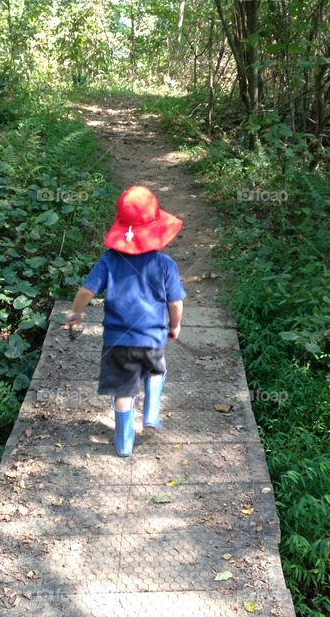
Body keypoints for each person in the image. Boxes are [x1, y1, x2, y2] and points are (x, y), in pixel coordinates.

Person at [66, 185, 186, 457]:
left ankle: (123, 444)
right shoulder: (165, 264)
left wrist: (76, 313)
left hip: (117, 341)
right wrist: (174, 325)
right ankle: (152, 415)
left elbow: (86, 291)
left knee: (123, 390)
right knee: (156, 372)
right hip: (152, 338)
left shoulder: (109, 260)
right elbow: (175, 303)